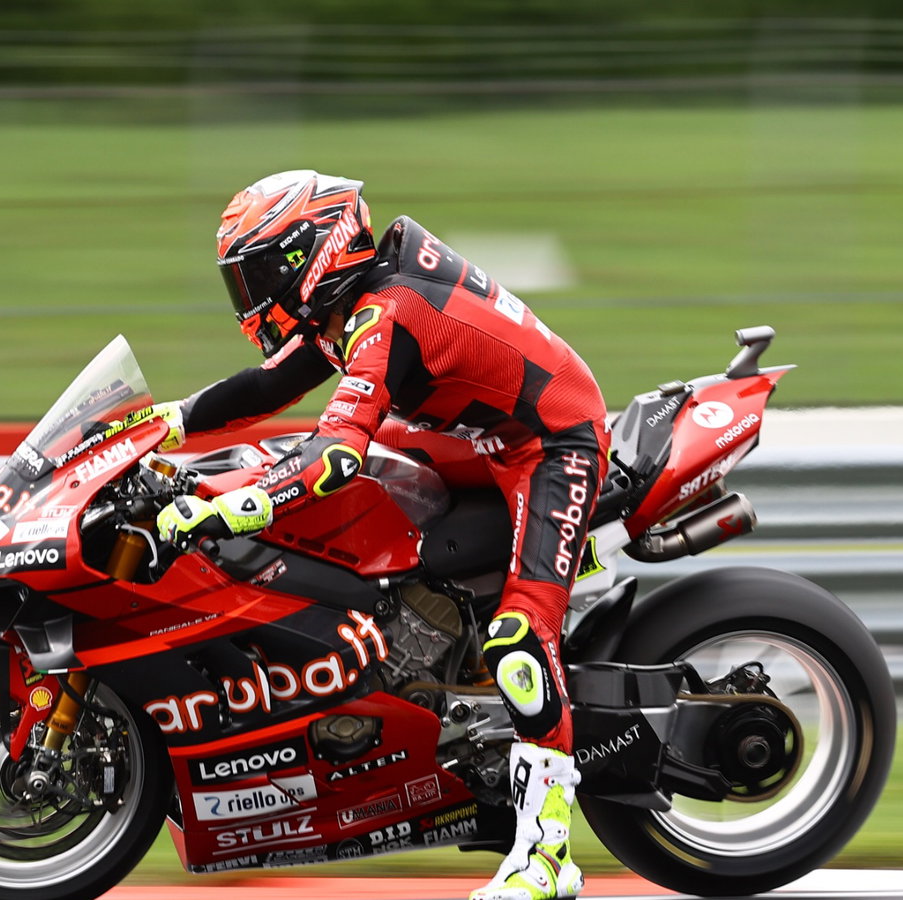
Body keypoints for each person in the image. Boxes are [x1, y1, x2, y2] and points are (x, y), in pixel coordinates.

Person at [152, 170, 607, 900]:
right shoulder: (348, 309)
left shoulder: (385, 313)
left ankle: (548, 856)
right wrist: (152, 425)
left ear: (314, 255)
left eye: (260, 273)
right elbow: (265, 387)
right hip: (477, 434)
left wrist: (224, 510)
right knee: (372, 505)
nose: (252, 297)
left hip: (551, 445)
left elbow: (334, 454)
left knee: (520, 640)